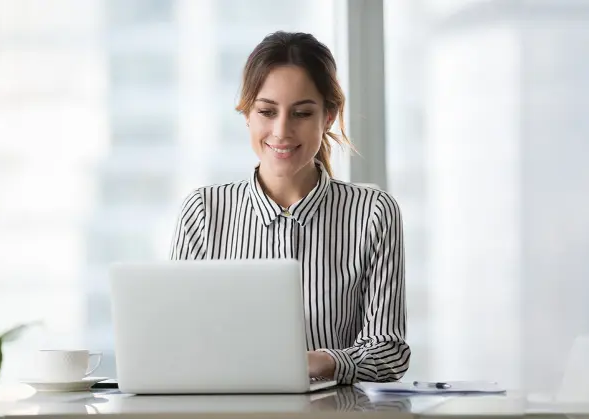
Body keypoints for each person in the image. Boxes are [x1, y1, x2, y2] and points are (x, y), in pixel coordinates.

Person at [169, 31, 409, 384]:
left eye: (301, 113)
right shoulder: (203, 211)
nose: (281, 131)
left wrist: (322, 361)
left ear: (328, 117)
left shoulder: (373, 212)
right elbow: (177, 340)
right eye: (267, 111)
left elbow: (388, 351)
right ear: (247, 114)